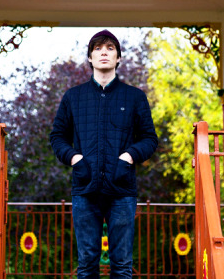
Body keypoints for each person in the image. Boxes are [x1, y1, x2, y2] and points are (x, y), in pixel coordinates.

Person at [50, 30, 158, 278]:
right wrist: (75, 159)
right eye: (98, 48)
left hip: (122, 191)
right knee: (87, 263)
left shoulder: (135, 97)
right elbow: (57, 137)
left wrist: (128, 156)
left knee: (121, 265)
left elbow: (150, 139)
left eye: (110, 48)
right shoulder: (73, 97)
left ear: (119, 58)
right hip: (85, 190)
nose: (104, 53)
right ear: (90, 57)